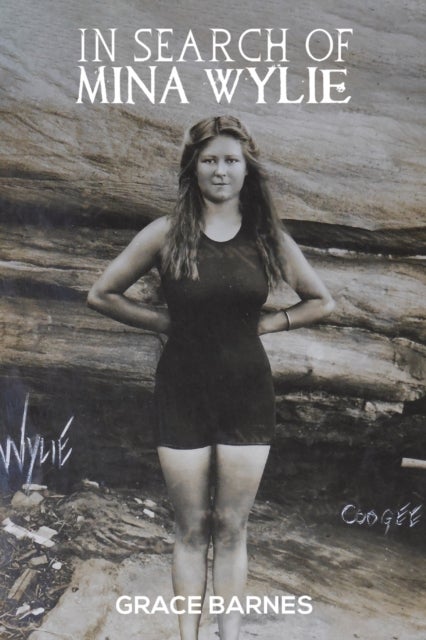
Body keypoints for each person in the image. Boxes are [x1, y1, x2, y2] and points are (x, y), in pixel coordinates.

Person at [87, 115, 334, 640]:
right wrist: (163, 322)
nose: (220, 170)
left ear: (247, 169)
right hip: (181, 392)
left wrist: (272, 323)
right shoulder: (165, 232)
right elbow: (101, 294)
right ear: (193, 167)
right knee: (192, 526)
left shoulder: (267, 237)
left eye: (231, 160)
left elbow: (321, 301)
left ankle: (228, 636)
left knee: (232, 526)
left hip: (247, 394)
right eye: (209, 160)